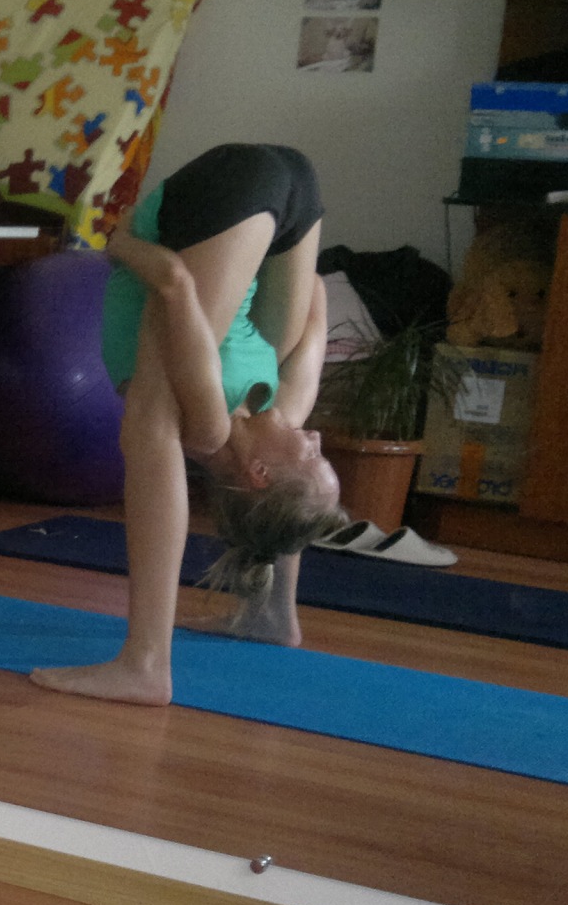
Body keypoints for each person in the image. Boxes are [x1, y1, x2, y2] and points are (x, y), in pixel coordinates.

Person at [30, 143, 348, 708]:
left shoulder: (206, 429)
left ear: (257, 471)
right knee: (174, 424)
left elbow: (176, 282)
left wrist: (120, 241)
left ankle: (147, 664)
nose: (316, 437)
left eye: (311, 455)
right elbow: (318, 298)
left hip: (253, 189)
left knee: (151, 421)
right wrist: (121, 244)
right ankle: (271, 616)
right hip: (275, 196)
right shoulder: (285, 409)